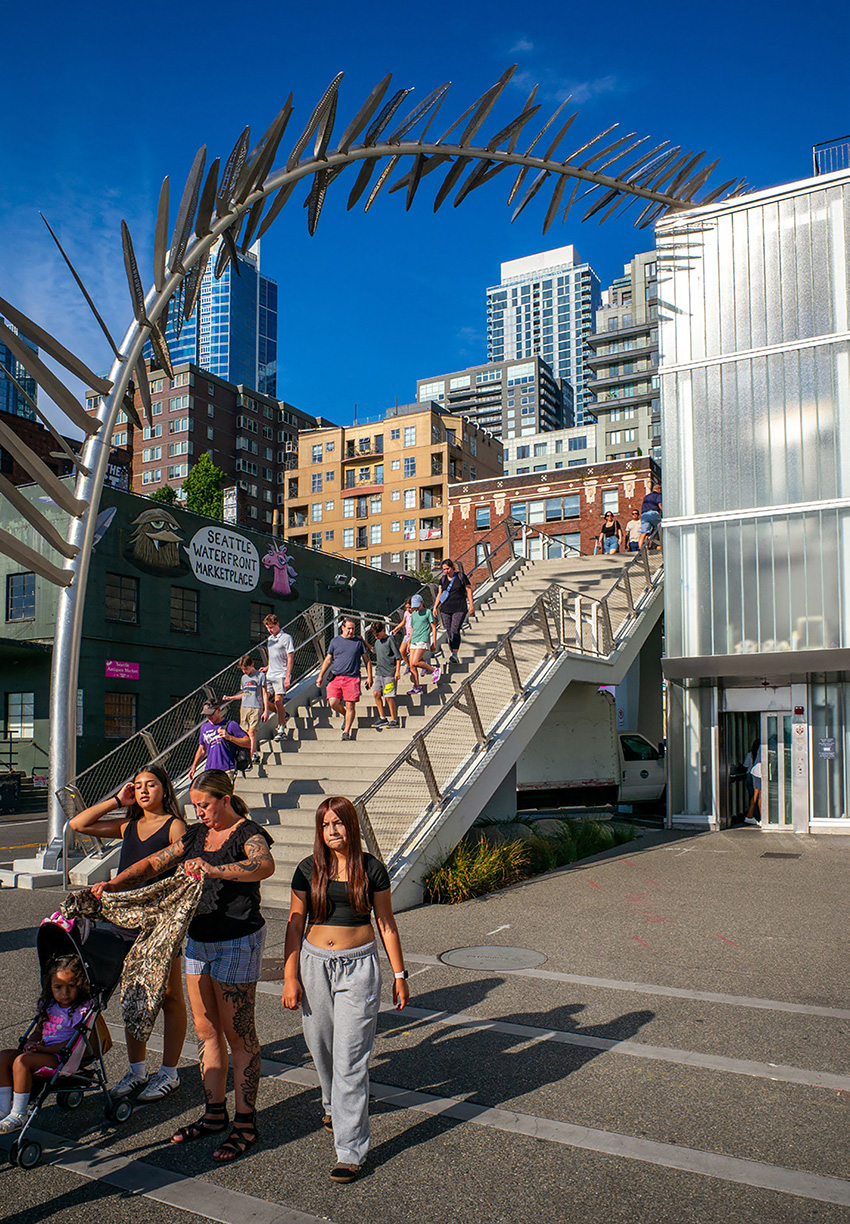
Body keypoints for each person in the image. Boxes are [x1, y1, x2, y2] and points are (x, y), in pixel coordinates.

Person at [92, 770, 275, 1163]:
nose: (201, 812)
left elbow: (264, 866)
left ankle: (245, 1124)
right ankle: (214, 1114)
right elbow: (153, 864)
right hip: (198, 942)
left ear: (226, 800)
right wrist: (113, 885)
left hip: (237, 941)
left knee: (239, 1035)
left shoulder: (248, 833)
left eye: (206, 805)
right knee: (207, 1032)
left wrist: (214, 870)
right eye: (196, 806)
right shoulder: (194, 836)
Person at [282, 796, 409, 1184]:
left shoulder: (372, 869)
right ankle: (331, 1103)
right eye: (325, 825)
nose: (332, 831)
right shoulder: (308, 870)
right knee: (321, 1046)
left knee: (351, 1057)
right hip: (314, 963)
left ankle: (350, 1150)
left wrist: (400, 974)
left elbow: (386, 922)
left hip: (359, 966)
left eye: (338, 823)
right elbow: (293, 923)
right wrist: (290, 976)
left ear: (351, 826)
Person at [69, 766, 188, 1101]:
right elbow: (78, 825)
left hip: (160, 922)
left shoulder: (175, 825)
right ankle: (137, 1070)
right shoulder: (129, 825)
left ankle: (169, 1073)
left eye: (151, 785)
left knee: (169, 996)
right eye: (137, 786)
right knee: (133, 993)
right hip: (124, 920)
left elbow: (186, 867)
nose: (144, 790)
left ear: (165, 789)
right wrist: (115, 800)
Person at [0, 953, 91, 1133]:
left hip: (61, 1056)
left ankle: (19, 1114)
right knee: (3, 1057)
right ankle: (3, 1108)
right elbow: (38, 1031)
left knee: (22, 1062)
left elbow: (73, 1043)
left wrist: (45, 1049)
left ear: (80, 986)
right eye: (58, 987)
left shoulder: (81, 1009)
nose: (64, 993)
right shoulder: (49, 1005)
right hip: (42, 1052)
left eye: (71, 986)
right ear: (50, 986)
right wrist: (31, 1043)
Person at [318, 617, 373, 741]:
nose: (351, 631)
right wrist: (320, 675)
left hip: (352, 678)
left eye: (353, 628)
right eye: (349, 628)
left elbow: (367, 660)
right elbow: (328, 659)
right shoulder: (335, 641)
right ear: (342, 628)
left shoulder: (358, 642)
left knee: (350, 706)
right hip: (336, 677)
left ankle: (346, 731)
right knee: (333, 702)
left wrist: (369, 677)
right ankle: (346, 716)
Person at [223, 656, 269, 764]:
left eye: (246, 669)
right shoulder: (244, 678)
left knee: (252, 731)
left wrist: (266, 710)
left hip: (256, 706)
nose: (245, 672)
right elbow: (244, 694)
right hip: (244, 707)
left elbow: (264, 694)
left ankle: (253, 753)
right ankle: (245, 754)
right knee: (244, 732)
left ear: (252, 665)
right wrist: (231, 698)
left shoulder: (260, 676)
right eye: (243, 670)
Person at [190, 701, 250, 779]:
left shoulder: (231, 725)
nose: (208, 717)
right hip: (209, 770)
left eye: (211, 714)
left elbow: (248, 742)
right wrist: (194, 766)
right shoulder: (204, 727)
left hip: (226, 769)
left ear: (218, 710)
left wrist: (229, 737)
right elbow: (202, 749)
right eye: (206, 715)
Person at [433, 558, 474, 666]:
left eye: (447, 568)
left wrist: (471, 605)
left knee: (455, 630)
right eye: (444, 569)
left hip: (459, 608)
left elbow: (469, 590)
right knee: (449, 631)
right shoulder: (442, 579)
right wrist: (435, 607)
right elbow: (439, 593)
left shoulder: (460, 576)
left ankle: (454, 654)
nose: (446, 571)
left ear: (452, 567)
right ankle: (453, 654)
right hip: (445, 609)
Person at [262, 614, 295, 742]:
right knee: (262, 700)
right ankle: (283, 714)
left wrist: (287, 677)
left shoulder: (286, 638)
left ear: (277, 625)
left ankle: (281, 728)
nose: (270, 630)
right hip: (270, 674)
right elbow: (273, 656)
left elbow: (290, 657)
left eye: (271, 627)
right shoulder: (270, 639)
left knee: (278, 701)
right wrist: (267, 666)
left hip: (280, 674)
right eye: (268, 628)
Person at [370, 621, 401, 729]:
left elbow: (398, 657)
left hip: (389, 673)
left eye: (377, 635)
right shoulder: (377, 641)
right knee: (376, 694)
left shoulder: (390, 640)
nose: (376, 637)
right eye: (374, 636)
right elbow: (373, 650)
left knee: (389, 697)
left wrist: (397, 671)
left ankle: (394, 720)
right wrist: (363, 641)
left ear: (383, 631)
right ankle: (382, 718)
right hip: (379, 672)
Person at [408, 593, 439, 695]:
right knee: (412, 665)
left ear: (422, 603)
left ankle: (434, 669)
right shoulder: (414, 614)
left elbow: (433, 627)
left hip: (423, 639)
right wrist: (409, 642)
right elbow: (412, 628)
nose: (416, 607)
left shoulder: (427, 612)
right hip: (414, 640)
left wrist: (434, 642)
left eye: (418, 604)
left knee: (416, 662)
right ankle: (417, 687)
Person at [392, 598, 414, 675]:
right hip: (407, 635)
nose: (408, 609)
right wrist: (396, 628)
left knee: (412, 653)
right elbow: (403, 622)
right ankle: (408, 665)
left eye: (410, 607)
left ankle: (422, 666)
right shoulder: (406, 613)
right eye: (407, 607)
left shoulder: (415, 614)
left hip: (413, 635)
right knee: (402, 651)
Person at [638, 482, 662, 550]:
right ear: (659, 489)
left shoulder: (646, 497)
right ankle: (660, 546)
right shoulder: (658, 495)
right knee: (661, 528)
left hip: (644, 515)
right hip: (653, 513)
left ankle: (641, 549)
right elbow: (660, 504)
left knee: (644, 532)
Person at [745, 740, 762, 825]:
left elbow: (745, 765)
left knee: (755, 795)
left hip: (754, 773)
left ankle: (750, 816)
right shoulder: (763, 749)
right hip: (759, 772)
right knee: (759, 795)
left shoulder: (751, 753)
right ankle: (761, 818)